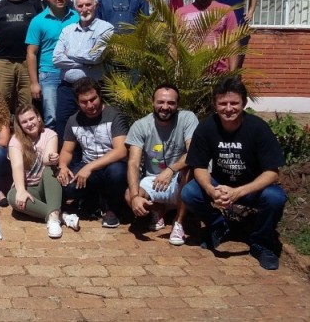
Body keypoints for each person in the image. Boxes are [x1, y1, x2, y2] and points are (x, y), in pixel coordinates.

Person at [182, 77, 286, 270]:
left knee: (275, 197)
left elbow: (272, 172)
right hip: (220, 185)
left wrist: (239, 192)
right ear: (215, 104)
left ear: (244, 103)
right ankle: (219, 225)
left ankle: (261, 243)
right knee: (190, 192)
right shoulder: (206, 128)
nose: (228, 108)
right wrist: (211, 190)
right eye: (222, 103)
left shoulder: (258, 128)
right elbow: (199, 166)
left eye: (234, 103)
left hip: (252, 187)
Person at [124, 85, 198, 246]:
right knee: (130, 195)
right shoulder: (141, 125)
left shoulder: (187, 118)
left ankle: (178, 223)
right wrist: (136, 196)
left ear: (178, 104)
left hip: (179, 179)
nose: (165, 107)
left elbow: (194, 152)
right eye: (161, 102)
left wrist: (171, 170)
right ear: (152, 102)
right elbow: (133, 162)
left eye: (171, 103)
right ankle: (157, 208)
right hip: (153, 179)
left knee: (188, 168)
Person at [56, 77, 128, 229]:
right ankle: (92, 201)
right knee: (67, 185)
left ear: (99, 95)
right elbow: (67, 150)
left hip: (112, 165)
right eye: (84, 102)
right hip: (88, 166)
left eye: (93, 99)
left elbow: (121, 151)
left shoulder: (114, 115)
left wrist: (89, 167)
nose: (90, 105)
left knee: (117, 172)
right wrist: (62, 166)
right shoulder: (73, 120)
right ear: (77, 102)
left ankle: (112, 209)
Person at [7, 105, 79, 239]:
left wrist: (52, 158)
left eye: (31, 118)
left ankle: (53, 219)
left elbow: (46, 159)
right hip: (29, 189)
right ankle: (59, 216)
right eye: (24, 122)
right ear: (20, 125)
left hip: (47, 188)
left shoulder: (50, 134)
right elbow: (17, 166)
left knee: (50, 170)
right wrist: (21, 190)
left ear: (38, 118)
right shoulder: (15, 140)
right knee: (12, 196)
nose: (29, 124)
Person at [53, 0, 114, 144]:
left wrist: (71, 52)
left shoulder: (106, 28)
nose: (84, 9)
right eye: (80, 5)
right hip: (68, 88)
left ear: (96, 5)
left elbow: (97, 56)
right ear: (75, 8)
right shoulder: (67, 30)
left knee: (92, 125)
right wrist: (84, 62)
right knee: (63, 122)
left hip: (93, 88)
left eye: (88, 4)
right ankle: (66, 163)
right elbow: (57, 58)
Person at [25, 0, 79, 131]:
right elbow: (31, 53)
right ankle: (52, 152)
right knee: (51, 117)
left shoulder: (76, 18)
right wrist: (34, 83)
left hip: (73, 72)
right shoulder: (38, 21)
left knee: (73, 114)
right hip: (49, 73)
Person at [177, 0, 239, 71]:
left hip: (218, 75)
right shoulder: (180, 13)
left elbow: (233, 44)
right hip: (189, 77)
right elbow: (174, 45)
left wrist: (232, 75)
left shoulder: (226, 11)